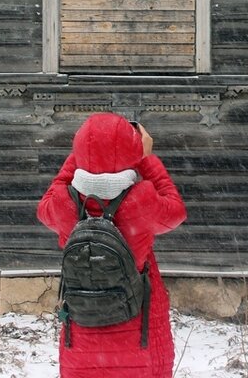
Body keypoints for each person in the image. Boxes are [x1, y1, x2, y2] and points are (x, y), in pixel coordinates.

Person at [37, 112, 187, 378]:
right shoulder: (141, 201)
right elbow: (176, 210)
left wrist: (80, 158)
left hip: (82, 344)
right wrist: (146, 158)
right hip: (137, 337)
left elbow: (48, 199)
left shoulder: (64, 203)